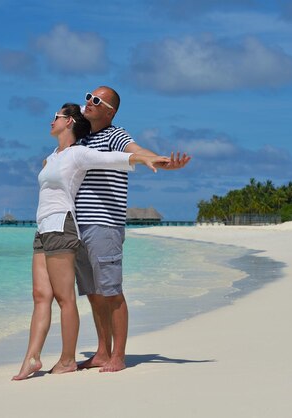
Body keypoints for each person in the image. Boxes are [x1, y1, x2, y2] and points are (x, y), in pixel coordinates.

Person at [12, 103, 170, 380]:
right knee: (40, 296)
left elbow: (117, 159)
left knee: (65, 298)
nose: (51, 120)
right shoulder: (51, 156)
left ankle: (67, 359)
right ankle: (31, 358)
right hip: (43, 228)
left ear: (69, 121)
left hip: (63, 225)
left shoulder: (79, 153)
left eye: (57, 117)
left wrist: (149, 159)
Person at [75, 86, 191, 373]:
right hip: (79, 224)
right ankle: (102, 351)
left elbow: (136, 151)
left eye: (97, 100)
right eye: (88, 96)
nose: (89, 102)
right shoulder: (82, 138)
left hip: (105, 224)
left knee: (111, 291)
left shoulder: (116, 135)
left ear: (110, 111)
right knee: (93, 292)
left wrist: (159, 160)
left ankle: (119, 356)